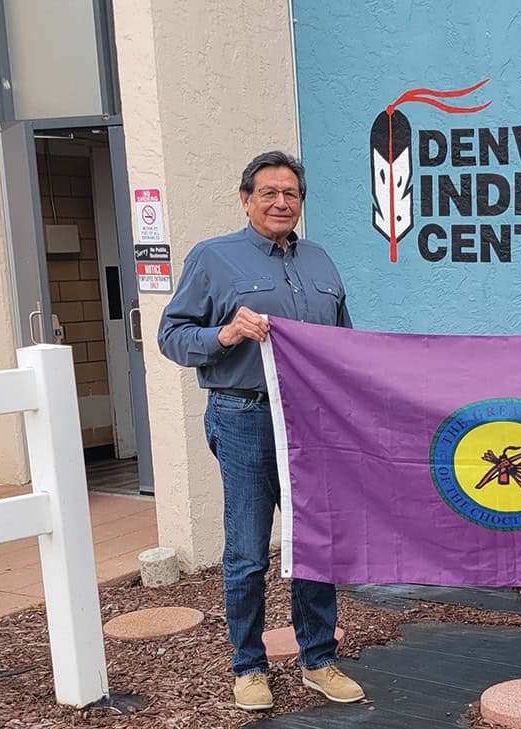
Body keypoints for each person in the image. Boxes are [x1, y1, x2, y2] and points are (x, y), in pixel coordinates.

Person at [158, 151, 363, 711]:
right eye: (269, 193)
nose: (281, 202)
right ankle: (248, 667)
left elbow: (344, 343)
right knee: (248, 552)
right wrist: (222, 336)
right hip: (244, 416)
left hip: (313, 424)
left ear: (301, 202)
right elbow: (171, 335)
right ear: (246, 198)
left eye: (291, 194)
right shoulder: (212, 259)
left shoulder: (321, 262)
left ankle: (318, 659)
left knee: (314, 544)